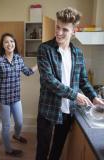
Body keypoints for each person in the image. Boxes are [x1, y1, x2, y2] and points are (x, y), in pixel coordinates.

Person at [36, 7, 104, 160]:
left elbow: (83, 80)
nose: (59, 32)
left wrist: (94, 97)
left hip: (68, 112)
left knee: (57, 150)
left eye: (65, 30)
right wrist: (75, 95)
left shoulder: (78, 53)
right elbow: (49, 80)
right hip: (48, 110)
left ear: (74, 31)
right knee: (42, 151)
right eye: (57, 27)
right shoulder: (45, 49)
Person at [0, 33, 37, 157]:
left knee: (19, 122)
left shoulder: (18, 58)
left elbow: (27, 72)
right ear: (2, 45)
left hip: (16, 98)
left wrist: (38, 65)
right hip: (3, 100)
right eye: (6, 42)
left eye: (12, 41)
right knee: (6, 126)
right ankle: (8, 150)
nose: (9, 44)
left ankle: (16, 136)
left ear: (14, 43)